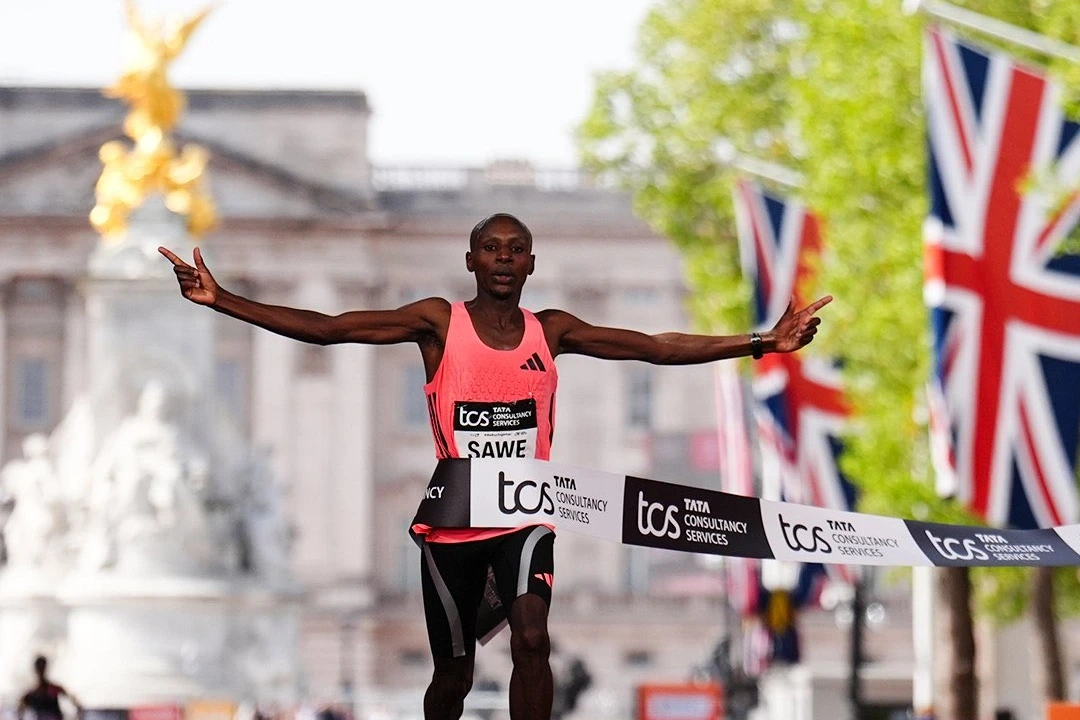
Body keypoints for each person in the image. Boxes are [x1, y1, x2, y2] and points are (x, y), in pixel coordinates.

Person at [159, 213, 831, 720]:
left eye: (515, 250)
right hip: (454, 516)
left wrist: (762, 342)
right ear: (472, 261)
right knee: (453, 673)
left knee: (532, 638)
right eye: (491, 249)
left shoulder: (554, 329)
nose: (503, 259)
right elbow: (332, 327)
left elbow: (654, 346)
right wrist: (225, 301)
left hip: (525, 510)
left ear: (532, 264)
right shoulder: (436, 323)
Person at [17, 656, 81, 720]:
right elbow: (20, 709)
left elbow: (75, 702)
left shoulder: (54, 689)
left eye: (42, 667)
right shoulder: (31, 694)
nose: (41, 670)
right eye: (39, 667)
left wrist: (77, 716)